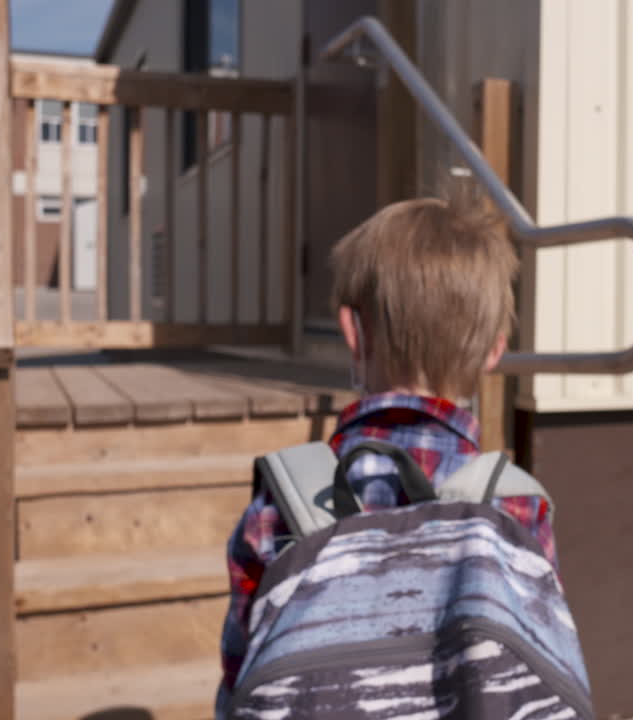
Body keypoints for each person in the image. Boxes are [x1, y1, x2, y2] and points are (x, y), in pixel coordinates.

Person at [216, 188, 559, 713]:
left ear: (353, 331)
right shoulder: (517, 506)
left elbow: (241, 672)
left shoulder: (283, 501)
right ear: (495, 349)